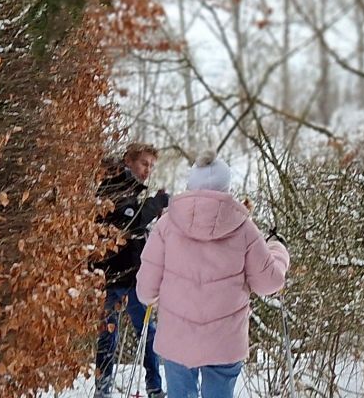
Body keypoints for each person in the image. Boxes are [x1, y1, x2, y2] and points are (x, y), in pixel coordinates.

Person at [136, 156, 290, 398]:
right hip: (225, 340)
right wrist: (278, 250)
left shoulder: (167, 224)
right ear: (226, 188)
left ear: (190, 184)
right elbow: (269, 282)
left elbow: (145, 290)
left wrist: (156, 298)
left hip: (178, 339)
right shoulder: (244, 227)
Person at [93, 143, 170, 398]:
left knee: (146, 333)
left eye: (151, 166)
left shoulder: (128, 189)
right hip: (113, 277)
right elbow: (130, 220)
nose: (147, 170)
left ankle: (153, 386)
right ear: (129, 160)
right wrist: (156, 203)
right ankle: (108, 389)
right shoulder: (113, 185)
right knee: (112, 337)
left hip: (129, 274)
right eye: (144, 163)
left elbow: (134, 226)